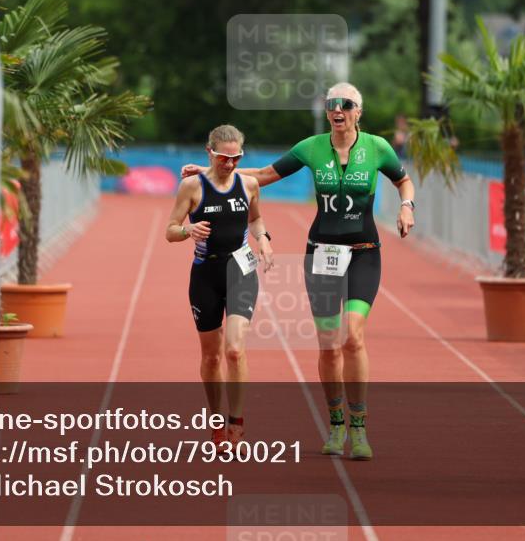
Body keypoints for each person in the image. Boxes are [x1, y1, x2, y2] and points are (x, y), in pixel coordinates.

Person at [181, 83, 415, 460]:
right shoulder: (311, 147)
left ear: (359, 110)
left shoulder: (378, 148)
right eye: (332, 105)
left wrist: (408, 206)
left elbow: (403, 179)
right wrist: (213, 171)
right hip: (321, 253)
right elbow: (266, 174)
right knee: (328, 342)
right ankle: (335, 424)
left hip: (364, 252)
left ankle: (359, 428)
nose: (338, 110)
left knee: (352, 336)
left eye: (346, 104)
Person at [166, 124, 274, 451]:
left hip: (241, 268)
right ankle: (216, 423)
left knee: (235, 349)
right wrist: (188, 231)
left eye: (236, 158)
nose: (230, 164)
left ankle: (236, 425)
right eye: (224, 158)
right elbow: (170, 230)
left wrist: (264, 240)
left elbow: (255, 219)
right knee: (211, 358)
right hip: (205, 274)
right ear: (209, 153)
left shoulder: (250, 184)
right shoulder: (191, 187)